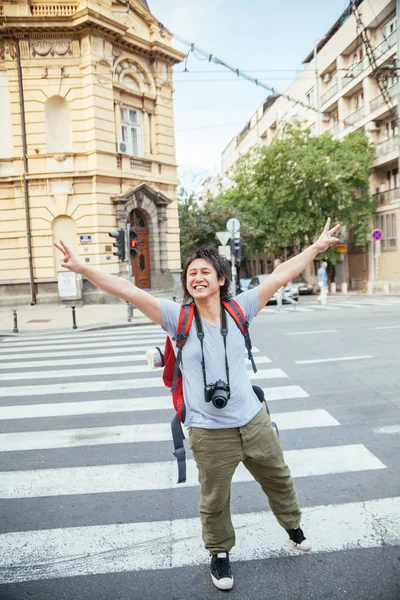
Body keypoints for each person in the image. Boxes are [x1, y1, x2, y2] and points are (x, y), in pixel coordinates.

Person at [54, 217, 340, 592]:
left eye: (206, 271)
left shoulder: (241, 309)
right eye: (192, 272)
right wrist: (82, 267)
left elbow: (281, 274)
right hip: (208, 431)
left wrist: (316, 247)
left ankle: (293, 526)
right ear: (187, 282)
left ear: (221, 279)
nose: (198, 276)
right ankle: (219, 554)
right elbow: (127, 290)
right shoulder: (178, 318)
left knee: (280, 479)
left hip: (253, 422)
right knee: (214, 499)